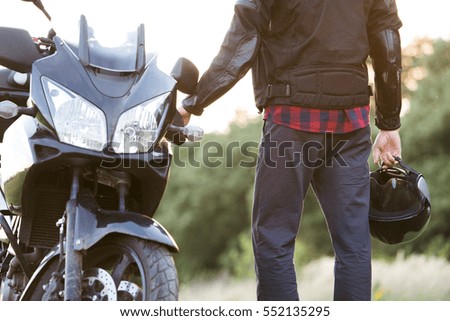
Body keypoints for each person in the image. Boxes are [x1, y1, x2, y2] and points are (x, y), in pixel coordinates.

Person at [178, 0, 403, 301]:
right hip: (350, 121)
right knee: (354, 244)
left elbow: (242, 41)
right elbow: (386, 41)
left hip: (291, 118)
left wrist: (194, 102)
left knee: (274, 240)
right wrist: (389, 123)